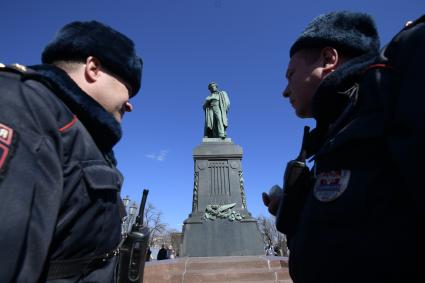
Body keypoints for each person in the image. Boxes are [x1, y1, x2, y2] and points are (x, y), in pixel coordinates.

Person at [262, 11, 425, 283]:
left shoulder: (395, 88)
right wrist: (291, 210)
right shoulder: (336, 130)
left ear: (328, 59)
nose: (285, 90)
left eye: (290, 75)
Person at [0, 21, 143, 282]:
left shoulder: (77, 131)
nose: (130, 105)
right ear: (93, 68)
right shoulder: (25, 108)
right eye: (128, 88)